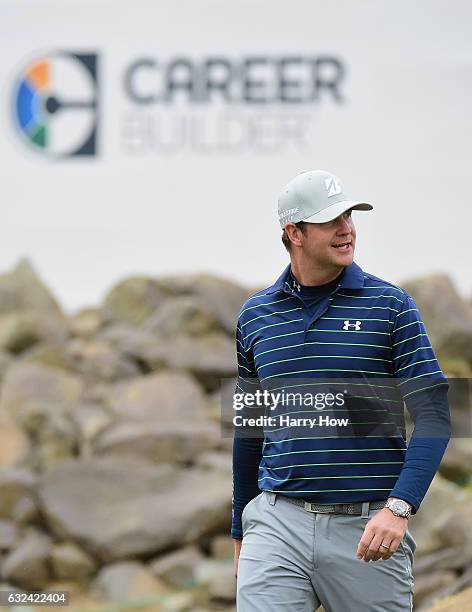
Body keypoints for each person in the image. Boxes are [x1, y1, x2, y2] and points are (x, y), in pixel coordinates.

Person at [231, 170, 451, 612]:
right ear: (294, 233)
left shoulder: (391, 306)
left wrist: (399, 508)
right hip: (276, 524)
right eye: (331, 220)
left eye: (349, 216)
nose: (347, 228)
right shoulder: (256, 315)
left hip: (368, 530)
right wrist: (241, 530)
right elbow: (249, 429)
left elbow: (435, 417)